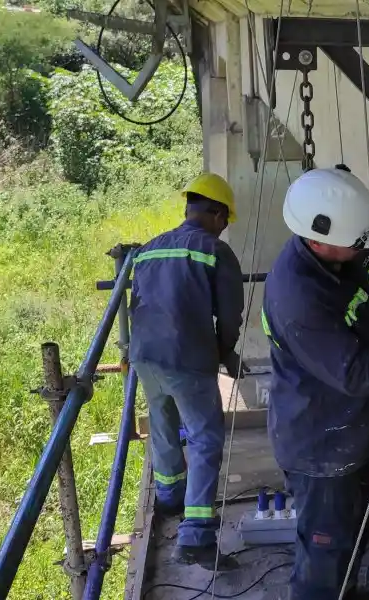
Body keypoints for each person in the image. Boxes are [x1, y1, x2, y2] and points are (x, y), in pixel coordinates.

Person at [262, 166, 369, 600]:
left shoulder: (349, 245)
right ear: (317, 241)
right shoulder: (298, 298)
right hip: (322, 448)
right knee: (323, 565)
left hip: (354, 430)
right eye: (357, 244)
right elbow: (354, 373)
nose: (366, 248)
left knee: (355, 534)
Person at [129, 172, 248, 571]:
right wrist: (226, 351)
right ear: (214, 213)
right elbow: (230, 313)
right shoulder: (215, 251)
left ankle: (168, 497)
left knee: (163, 427)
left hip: (145, 357)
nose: (224, 227)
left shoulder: (148, 249)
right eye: (225, 219)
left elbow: (141, 303)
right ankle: (196, 535)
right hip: (187, 359)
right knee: (204, 438)